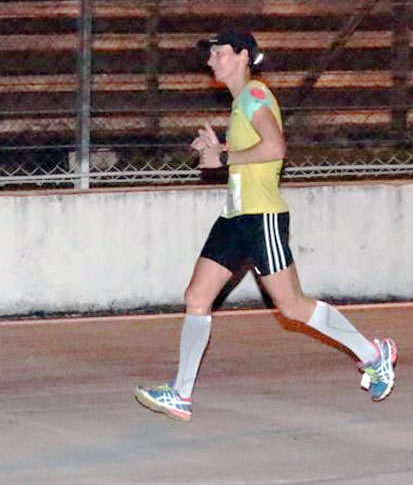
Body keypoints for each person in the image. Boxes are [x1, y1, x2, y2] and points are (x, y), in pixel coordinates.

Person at [135, 30, 398, 421]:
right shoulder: (240, 102)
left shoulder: (254, 95)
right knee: (197, 296)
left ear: (243, 55)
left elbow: (275, 148)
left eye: (219, 53)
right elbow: (248, 159)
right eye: (210, 55)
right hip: (235, 218)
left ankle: (375, 355)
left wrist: (225, 156)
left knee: (292, 307)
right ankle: (181, 394)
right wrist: (217, 152)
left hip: (261, 218)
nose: (211, 61)